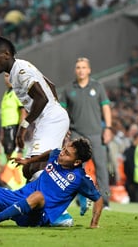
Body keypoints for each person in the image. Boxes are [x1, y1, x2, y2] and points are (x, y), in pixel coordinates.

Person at [0, 36, 69, 181]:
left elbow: (41, 98)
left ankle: (70, 184)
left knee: (36, 169)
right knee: (28, 170)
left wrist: (24, 126)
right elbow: (51, 85)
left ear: (6, 54)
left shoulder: (20, 71)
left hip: (51, 120)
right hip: (49, 119)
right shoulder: (17, 71)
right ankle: (40, 198)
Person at [59, 57, 113, 210]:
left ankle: (105, 202)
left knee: (101, 167)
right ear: (75, 70)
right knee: (75, 168)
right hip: (77, 134)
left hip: (96, 134)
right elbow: (62, 112)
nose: (81, 70)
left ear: (89, 70)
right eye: (78, 67)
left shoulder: (98, 86)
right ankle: (75, 198)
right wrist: (63, 130)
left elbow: (106, 108)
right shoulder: (68, 89)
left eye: (83, 67)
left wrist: (108, 128)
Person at [0, 73, 27, 160]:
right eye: (6, 76)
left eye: (9, 76)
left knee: (15, 157)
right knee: (8, 155)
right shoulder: (6, 93)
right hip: (6, 129)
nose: (7, 79)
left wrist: (20, 133)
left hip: (14, 128)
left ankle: (16, 173)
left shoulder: (18, 92)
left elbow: (23, 112)